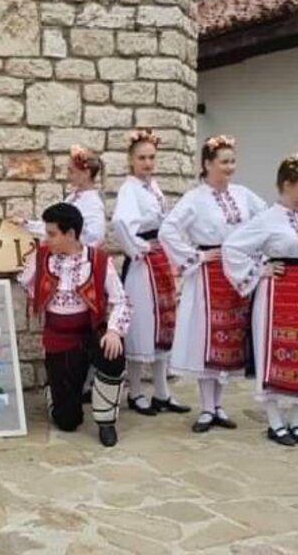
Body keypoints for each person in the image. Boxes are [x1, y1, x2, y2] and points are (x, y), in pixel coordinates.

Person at [223, 154, 298, 447]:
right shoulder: (267, 219)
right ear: (287, 185)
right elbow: (233, 247)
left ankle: (297, 422)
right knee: (272, 355)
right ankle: (275, 422)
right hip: (278, 295)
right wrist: (260, 270)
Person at [160, 135, 266, 433]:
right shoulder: (195, 198)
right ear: (207, 164)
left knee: (230, 340)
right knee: (206, 338)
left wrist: (256, 252)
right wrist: (198, 255)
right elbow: (169, 229)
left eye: (232, 161)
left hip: (236, 274)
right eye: (224, 162)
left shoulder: (243, 195)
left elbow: (267, 217)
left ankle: (219, 406)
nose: (230, 167)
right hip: (209, 274)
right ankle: (206, 407)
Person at [18, 203, 130, 447]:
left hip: (90, 332)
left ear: (70, 234)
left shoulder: (99, 260)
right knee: (67, 421)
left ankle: (106, 421)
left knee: (113, 351)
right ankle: (56, 391)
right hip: (59, 338)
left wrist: (113, 331)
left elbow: (120, 299)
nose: (46, 239)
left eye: (51, 234)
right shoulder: (42, 258)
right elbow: (25, 282)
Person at [111, 129, 189, 416]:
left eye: (151, 157)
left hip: (160, 260)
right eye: (142, 158)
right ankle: (135, 391)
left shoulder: (152, 187)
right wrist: (137, 247)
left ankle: (162, 392)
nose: (147, 162)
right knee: (142, 324)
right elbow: (120, 221)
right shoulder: (129, 189)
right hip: (144, 265)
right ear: (131, 161)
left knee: (164, 324)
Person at [15, 145, 107, 248]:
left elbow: (96, 238)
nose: (68, 176)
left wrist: (72, 247)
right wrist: (26, 224)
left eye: (71, 171)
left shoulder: (93, 204)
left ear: (86, 173)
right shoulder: (73, 198)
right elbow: (56, 226)